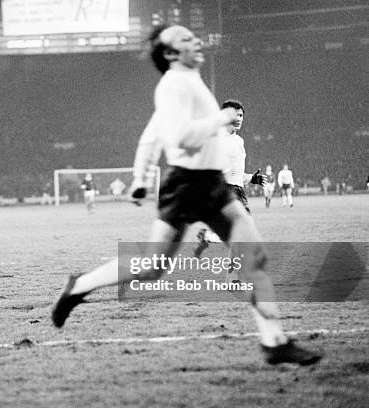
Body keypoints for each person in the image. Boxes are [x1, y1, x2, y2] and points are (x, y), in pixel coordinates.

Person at [52, 24, 321, 366]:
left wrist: (140, 175)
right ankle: (79, 286)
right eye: (184, 39)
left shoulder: (190, 81)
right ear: (169, 54)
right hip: (186, 185)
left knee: (253, 257)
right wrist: (219, 119)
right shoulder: (173, 85)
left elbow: (152, 134)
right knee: (152, 267)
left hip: (213, 186)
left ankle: (274, 341)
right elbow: (180, 137)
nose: (194, 40)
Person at [193, 99, 265, 284]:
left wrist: (251, 178)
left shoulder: (239, 141)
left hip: (237, 190)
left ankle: (208, 238)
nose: (239, 119)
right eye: (235, 115)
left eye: (241, 115)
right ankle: (235, 278)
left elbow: (236, 173)